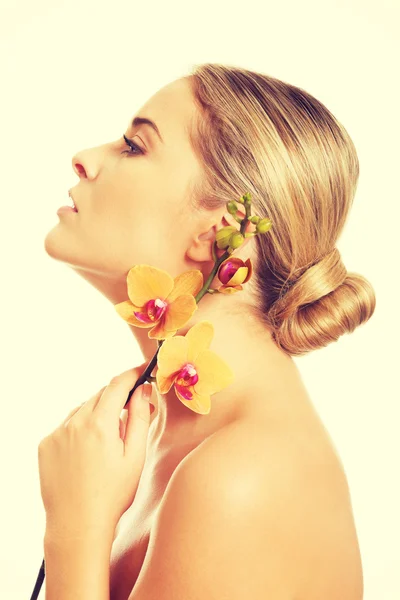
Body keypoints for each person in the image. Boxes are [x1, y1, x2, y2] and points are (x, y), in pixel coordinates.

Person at [43, 63, 375, 599]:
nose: (85, 158)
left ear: (219, 232)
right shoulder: (154, 443)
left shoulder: (241, 475)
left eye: (134, 145)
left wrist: (75, 529)